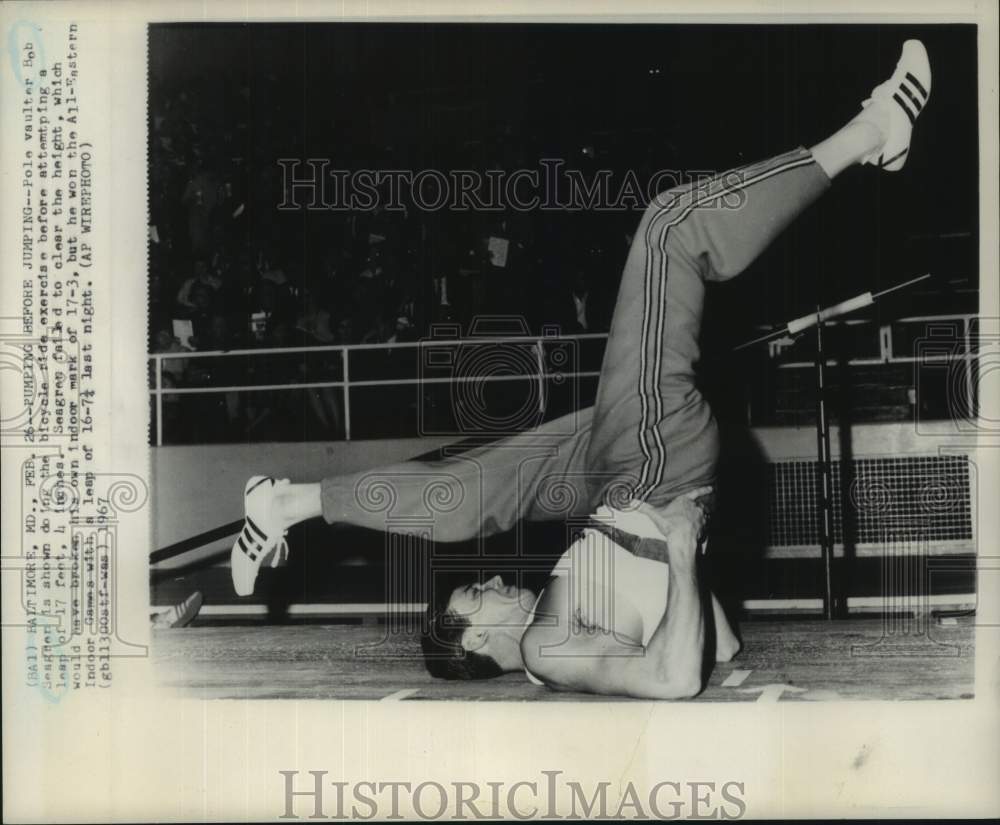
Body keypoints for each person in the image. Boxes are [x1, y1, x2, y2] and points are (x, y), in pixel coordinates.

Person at [228, 42, 931, 698]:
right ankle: (872, 132)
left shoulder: (560, 625)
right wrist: (683, 551)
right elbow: (675, 676)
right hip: (652, 476)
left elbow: (722, 648)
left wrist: (682, 566)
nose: (496, 577)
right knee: (670, 230)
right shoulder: (547, 648)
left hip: (613, 479)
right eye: (475, 596)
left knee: (468, 495)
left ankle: (289, 504)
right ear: (475, 637)